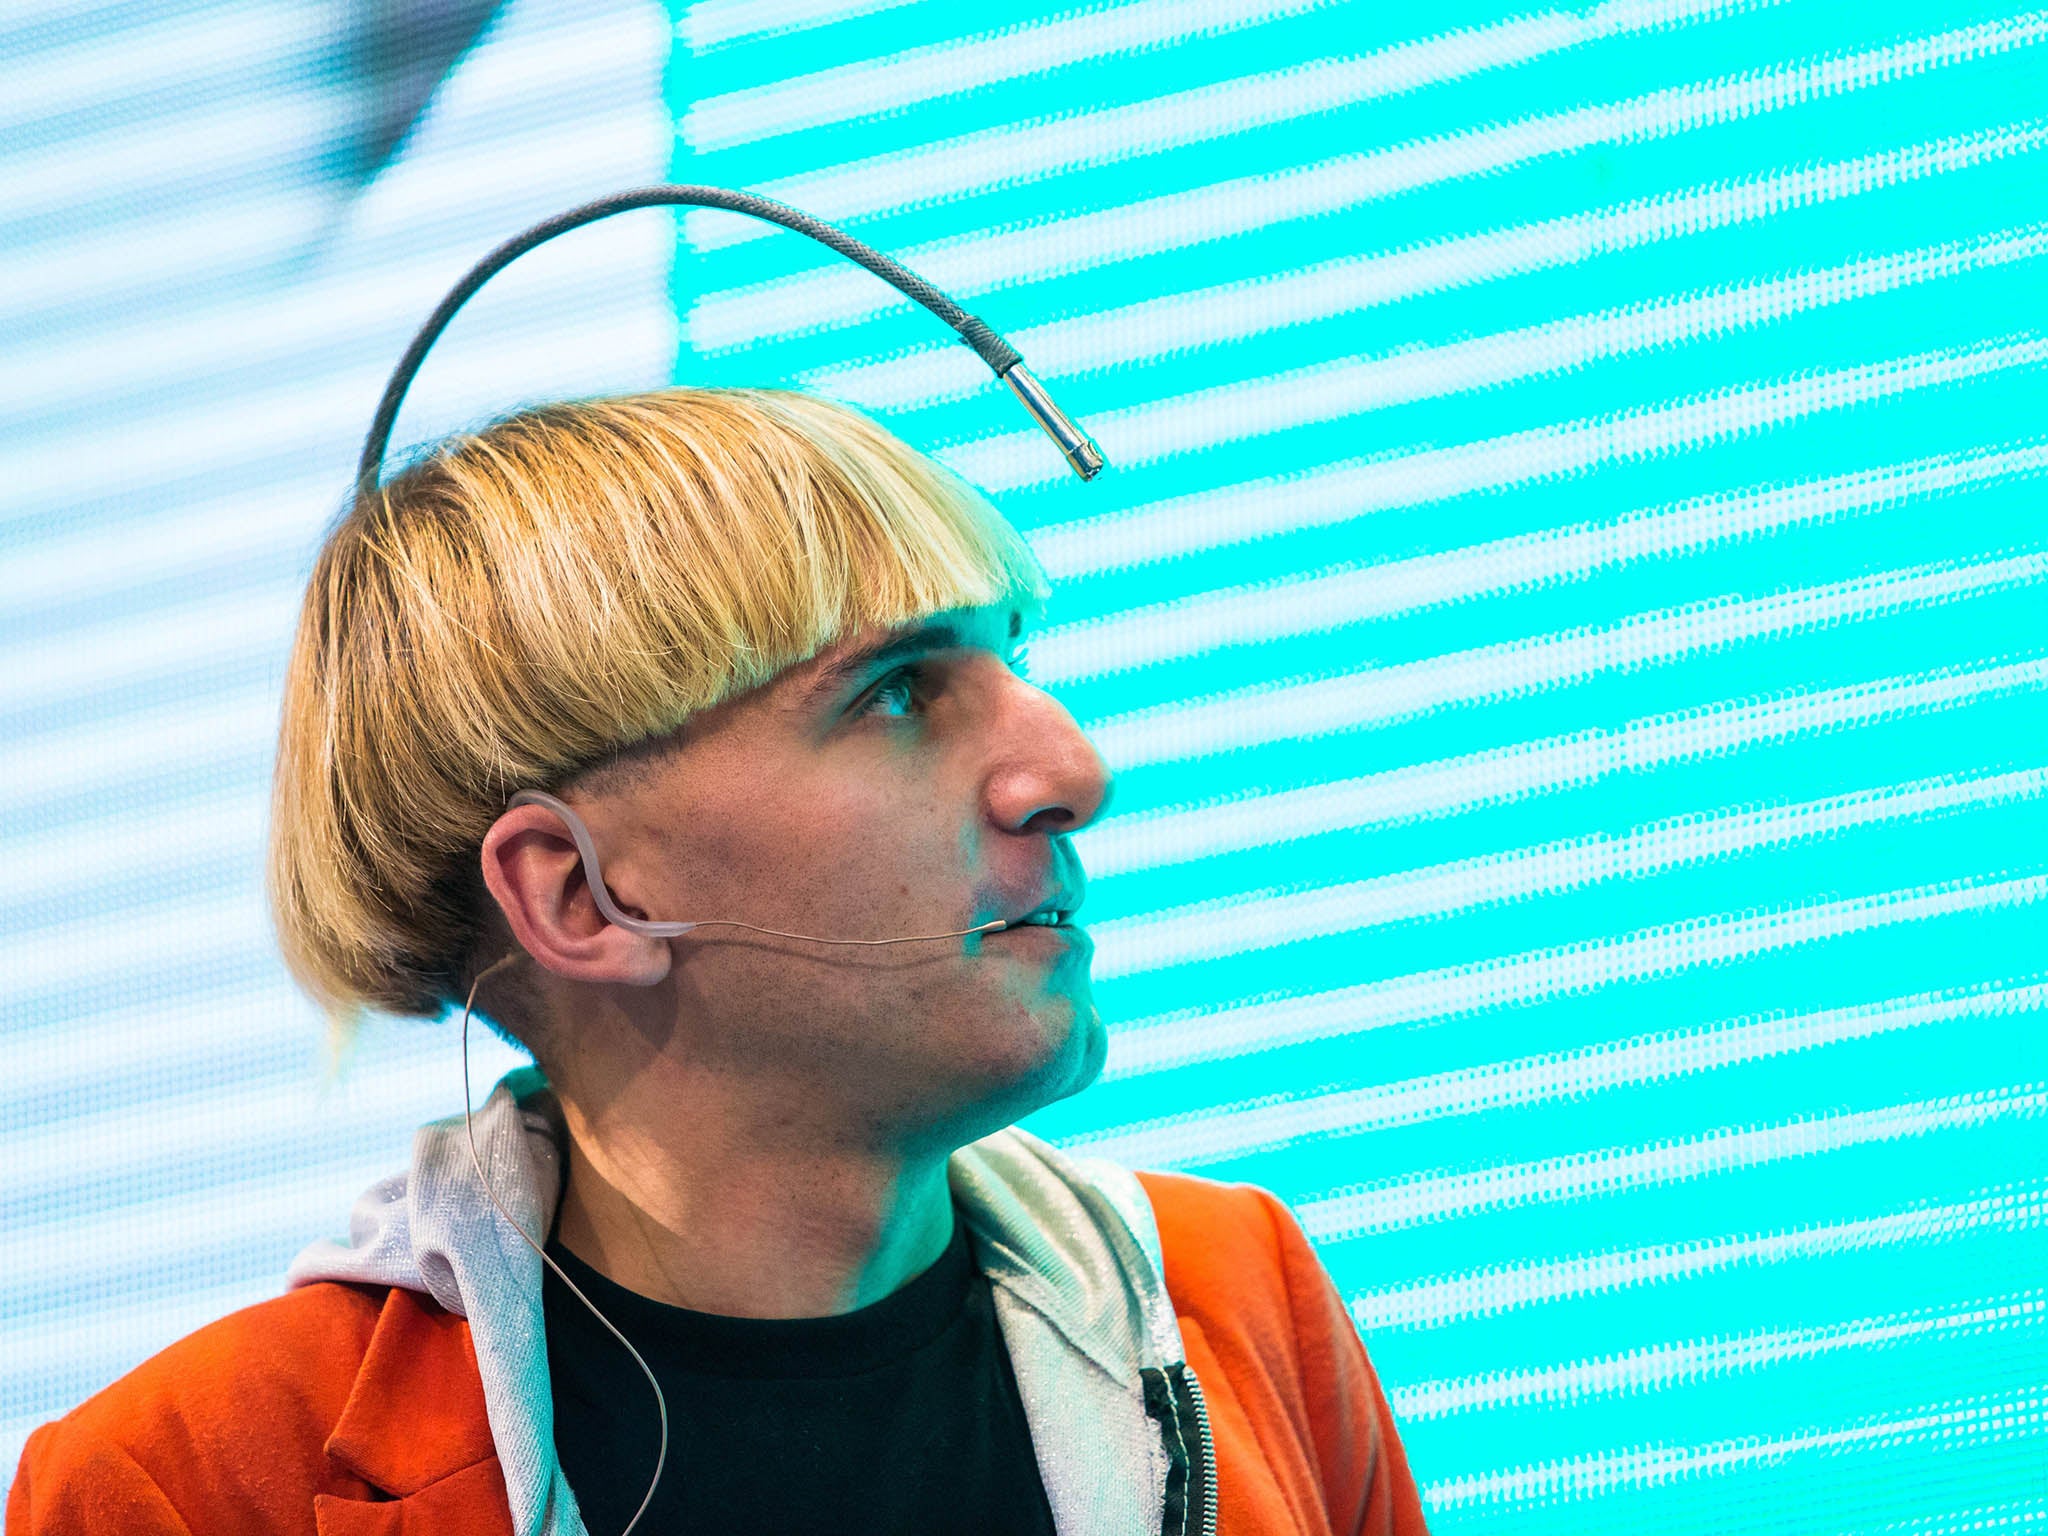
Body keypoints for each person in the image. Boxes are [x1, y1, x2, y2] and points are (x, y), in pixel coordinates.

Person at [7, 389, 1427, 1535]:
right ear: (581, 898)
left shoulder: (1242, 1302)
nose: (1070, 771)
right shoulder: (188, 1491)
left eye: (1013, 657)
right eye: (897, 694)